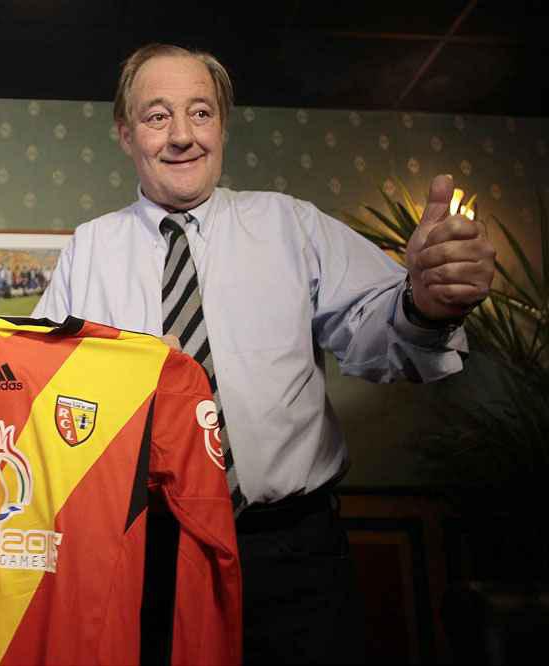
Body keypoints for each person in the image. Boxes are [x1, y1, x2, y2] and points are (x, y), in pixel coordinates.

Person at [33, 43, 496, 663]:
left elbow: (378, 335)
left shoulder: (291, 225)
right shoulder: (87, 250)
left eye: (201, 113)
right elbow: (48, 402)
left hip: (293, 557)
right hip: (145, 555)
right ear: (125, 134)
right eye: (157, 116)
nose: (182, 136)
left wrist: (425, 303)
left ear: (222, 126)